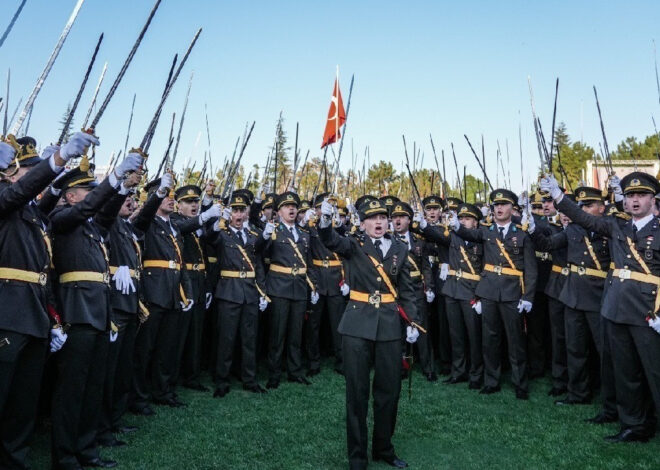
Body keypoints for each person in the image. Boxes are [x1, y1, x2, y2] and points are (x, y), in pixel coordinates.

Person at [541, 172, 660, 443]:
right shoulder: (617, 227)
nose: (635, 201)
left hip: (648, 311)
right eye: (630, 196)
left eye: (641, 195)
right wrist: (559, 196)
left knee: (654, 370)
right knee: (625, 370)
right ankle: (634, 424)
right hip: (616, 307)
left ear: (653, 199)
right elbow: (583, 218)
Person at [50, 148, 143, 470]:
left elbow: (106, 209)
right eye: (88, 192)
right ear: (72, 196)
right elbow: (93, 207)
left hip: (100, 313)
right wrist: (114, 177)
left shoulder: (93, 227)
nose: (93, 198)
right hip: (77, 313)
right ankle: (64, 456)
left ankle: (87, 448)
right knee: (72, 391)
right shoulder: (61, 219)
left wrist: (124, 187)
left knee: (92, 387)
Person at [318, 197, 420, 470]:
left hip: (389, 325)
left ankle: (383, 448)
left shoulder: (400, 246)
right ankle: (358, 458)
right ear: (362, 224)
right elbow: (330, 240)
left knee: (389, 391)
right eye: (372, 218)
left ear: (388, 222)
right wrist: (325, 220)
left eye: (382, 218)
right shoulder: (353, 244)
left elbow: (408, 288)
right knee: (357, 393)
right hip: (357, 325)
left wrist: (413, 322)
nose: (378, 222)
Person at [0, 135, 76, 469]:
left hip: (33, 314)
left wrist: (53, 320)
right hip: (6, 312)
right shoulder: (5, 199)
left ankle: (14, 460)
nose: (31, 177)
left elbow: (42, 270)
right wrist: (57, 160)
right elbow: (19, 193)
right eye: (26, 171)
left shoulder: (33, 215)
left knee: (23, 401)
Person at [452, 189, 537, 399]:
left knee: (515, 341)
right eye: (495, 205)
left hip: (511, 292)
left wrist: (528, 297)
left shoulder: (522, 233)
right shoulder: (486, 231)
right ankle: (491, 381)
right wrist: (454, 224)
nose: (499, 208)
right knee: (490, 339)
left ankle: (520, 383)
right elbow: (468, 233)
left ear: (512, 209)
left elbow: (531, 269)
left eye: (504, 205)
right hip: (489, 291)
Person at [255, 191, 319, 388]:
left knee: (295, 333)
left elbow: (309, 263)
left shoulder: (304, 234)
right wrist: (265, 236)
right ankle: (274, 374)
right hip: (279, 286)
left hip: (299, 287)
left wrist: (313, 286)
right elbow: (258, 252)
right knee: (277, 334)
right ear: (279, 211)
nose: (291, 209)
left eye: (294, 206)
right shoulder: (272, 230)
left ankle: (295, 371)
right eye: (286, 206)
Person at [418, 202, 485, 389]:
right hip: (452, 290)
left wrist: (480, 294)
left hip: (471, 290)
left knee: (474, 335)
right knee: (455, 335)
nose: (464, 221)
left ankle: (476, 374)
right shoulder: (453, 237)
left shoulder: (481, 239)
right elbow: (436, 235)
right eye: (461, 218)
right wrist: (423, 225)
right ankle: (458, 371)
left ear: (476, 223)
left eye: (468, 219)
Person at [209, 192, 269, 396]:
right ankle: (222, 381)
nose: (238, 214)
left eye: (242, 210)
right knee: (226, 339)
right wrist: (220, 221)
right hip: (229, 291)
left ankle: (249, 379)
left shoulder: (253, 236)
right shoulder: (222, 233)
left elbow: (259, 264)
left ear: (246, 213)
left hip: (249, 292)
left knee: (249, 338)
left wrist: (262, 292)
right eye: (234, 210)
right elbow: (210, 238)